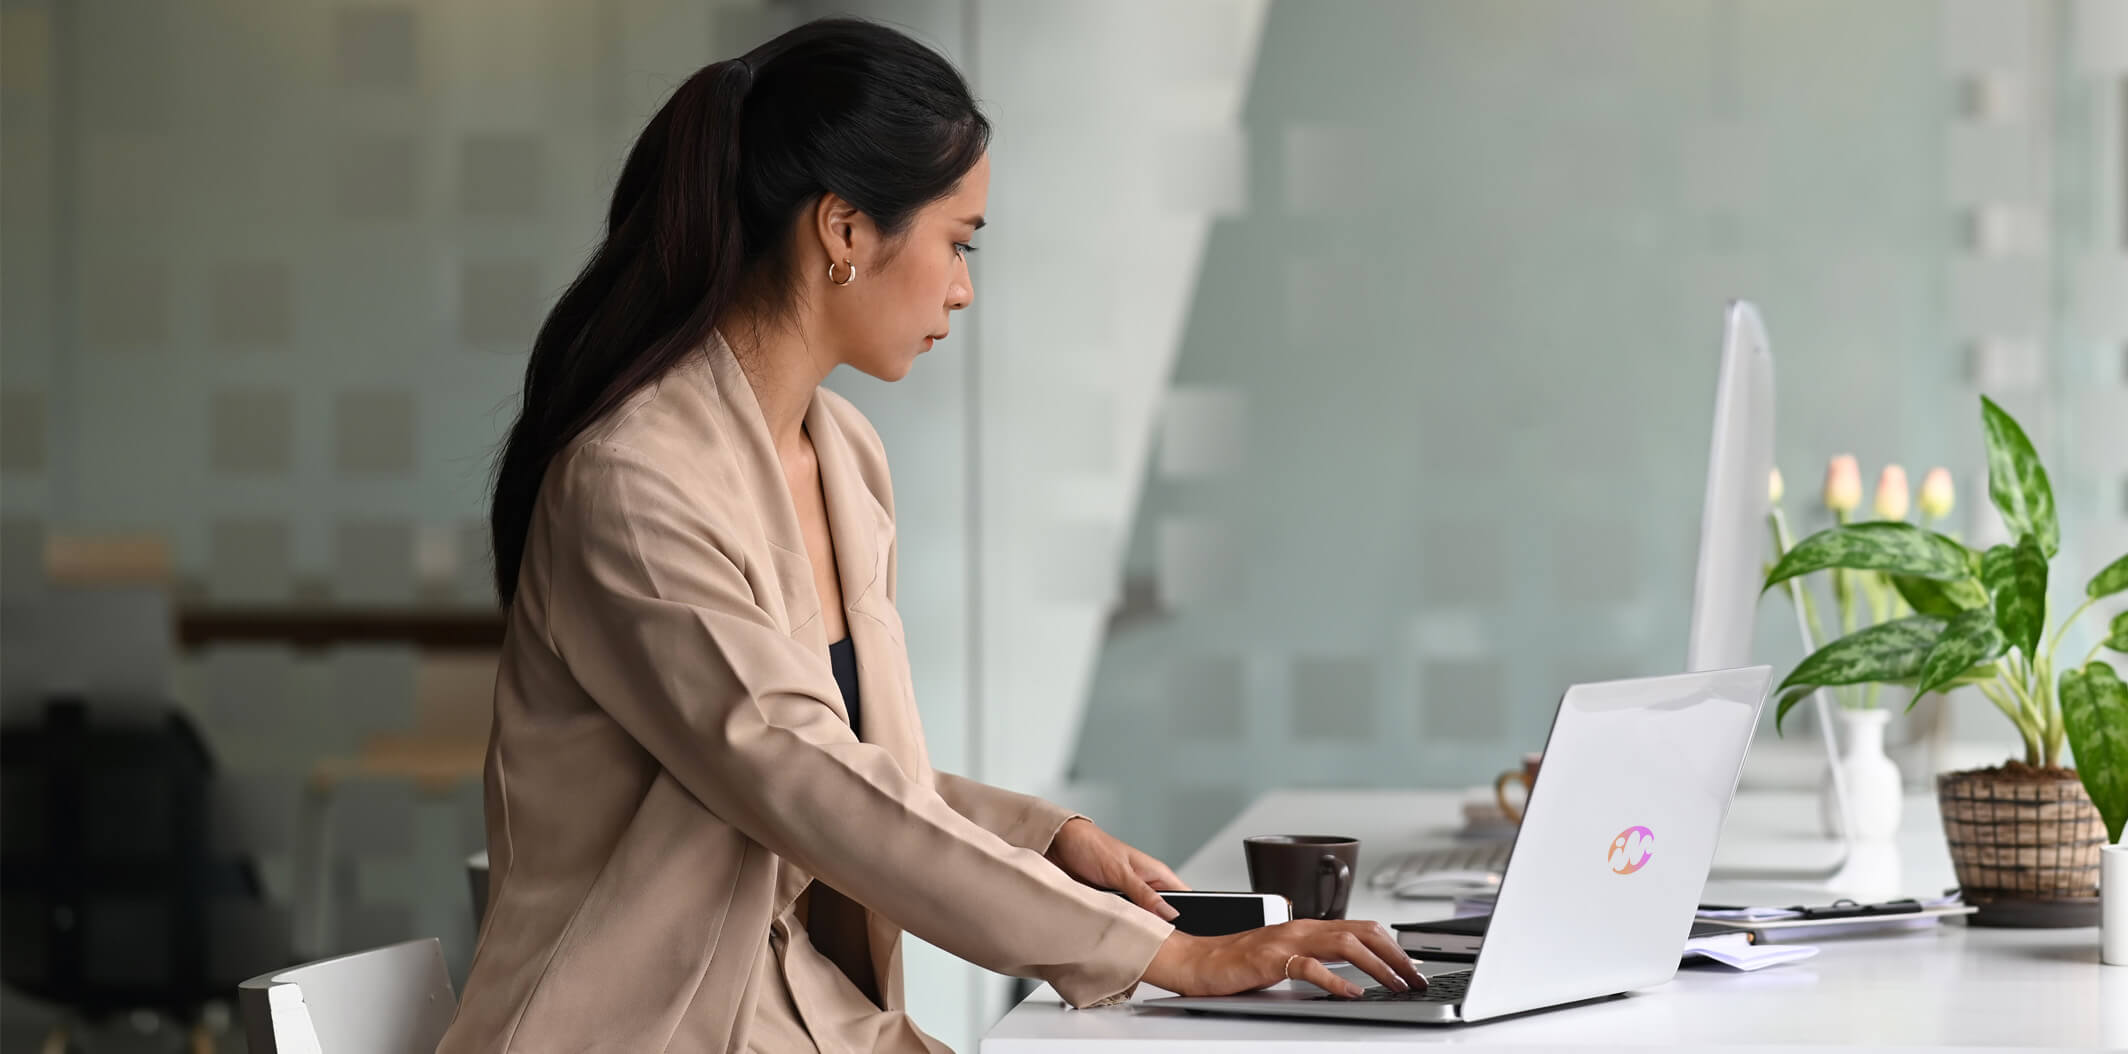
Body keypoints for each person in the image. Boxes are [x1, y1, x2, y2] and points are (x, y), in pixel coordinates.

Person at [438, 18, 1421, 1054]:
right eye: (958, 241)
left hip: (799, 1010)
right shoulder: (633, 480)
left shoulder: (845, 453)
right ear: (845, 232)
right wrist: (1158, 954)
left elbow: (859, 773)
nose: (961, 286)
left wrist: (1050, 840)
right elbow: (797, 773)